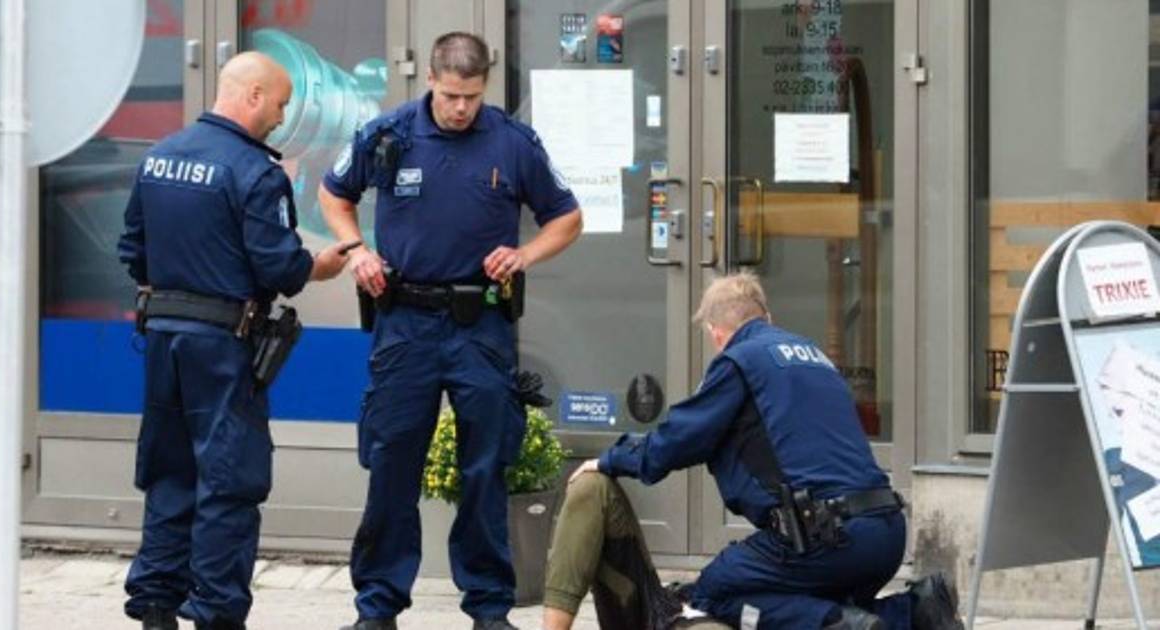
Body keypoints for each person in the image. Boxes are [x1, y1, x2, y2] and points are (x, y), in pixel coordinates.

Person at [319, 32, 582, 630]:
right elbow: (333, 194)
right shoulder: (387, 134)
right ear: (431, 80)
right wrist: (357, 250)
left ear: (484, 86)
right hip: (404, 321)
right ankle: (377, 607)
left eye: (472, 97)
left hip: (479, 324)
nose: (461, 108)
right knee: (392, 464)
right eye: (451, 96)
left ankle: (489, 609)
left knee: (485, 468)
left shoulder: (512, 143)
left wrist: (525, 255)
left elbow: (567, 217)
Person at [545, 273, 964, 630]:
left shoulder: (738, 361)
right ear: (768, 318)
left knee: (713, 592)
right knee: (794, 594)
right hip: (885, 532)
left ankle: (837, 624)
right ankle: (914, 611)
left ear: (716, 333)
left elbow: (674, 442)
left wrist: (609, 459)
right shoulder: (815, 357)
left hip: (827, 538)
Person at [117, 51, 351, 630]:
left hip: (163, 338)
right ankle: (217, 612)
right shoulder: (256, 172)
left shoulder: (160, 156)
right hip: (223, 346)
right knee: (229, 480)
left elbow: (133, 251)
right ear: (253, 96)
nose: (282, 117)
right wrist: (318, 267)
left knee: (170, 474)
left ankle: (155, 606)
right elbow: (278, 266)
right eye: (280, 104)